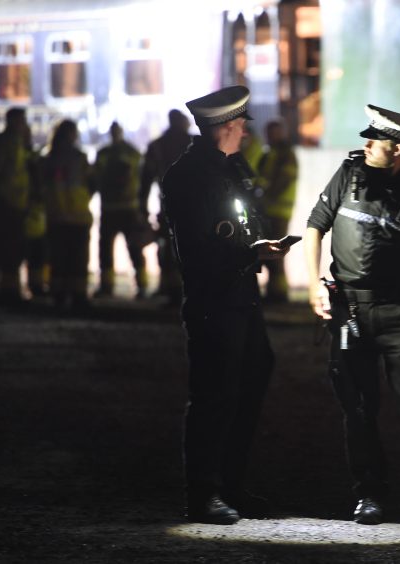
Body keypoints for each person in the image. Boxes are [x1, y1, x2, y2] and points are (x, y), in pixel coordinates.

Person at [305, 104, 400, 525]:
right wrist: (312, 284)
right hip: (349, 311)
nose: (366, 144)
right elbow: (315, 226)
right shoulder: (347, 177)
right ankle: (369, 495)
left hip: (399, 315)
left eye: (377, 140)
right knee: (357, 407)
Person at [160, 85, 290, 525]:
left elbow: (250, 217)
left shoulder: (232, 166)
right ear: (227, 127)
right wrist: (253, 251)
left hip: (241, 296)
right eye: (241, 128)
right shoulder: (188, 175)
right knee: (214, 394)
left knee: (250, 379)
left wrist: (260, 243)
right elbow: (201, 246)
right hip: (214, 297)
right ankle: (203, 493)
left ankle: (230, 484)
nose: (246, 136)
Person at [0, 107, 35, 304]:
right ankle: (7, 291)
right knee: (8, 249)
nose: (24, 124)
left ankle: (0, 289)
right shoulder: (7, 143)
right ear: (13, 122)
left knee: (6, 248)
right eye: (22, 120)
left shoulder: (15, 143)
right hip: (6, 202)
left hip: (12, 202)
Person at [40, 120, 94, 312]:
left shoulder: (47, 158)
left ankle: (59, 296)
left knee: (58, 258)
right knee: (78, 259)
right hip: (78, 216)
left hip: (56, 216)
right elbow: (92, 183)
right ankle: (78, 297)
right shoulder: (80, 158)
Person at [140, 109, 192, 306]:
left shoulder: (157, 146)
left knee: (169, 251)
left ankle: (172, 292)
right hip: (195, 208)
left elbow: (145, 180)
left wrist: (142, 207)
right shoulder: (195, 143)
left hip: (169, 207)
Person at [94, 121, 149, 298]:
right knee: (124, 249)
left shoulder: (105, 153)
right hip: (123, 207)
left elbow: (96, 178)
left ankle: (110, 286)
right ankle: (137, 285)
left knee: (114, 248)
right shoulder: (131, 152)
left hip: (117, 207)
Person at [255, 119, 297, 303]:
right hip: (266, 209)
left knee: (277, 252)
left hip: (279, 210)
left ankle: (279, 293)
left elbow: (284, 180)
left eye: (274, 132)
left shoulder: (286, 154)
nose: (271, 136)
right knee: (268, 252)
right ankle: (273, 291)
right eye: (269, 132)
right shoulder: (268, 153)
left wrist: (266, 193)